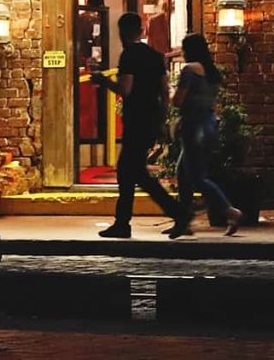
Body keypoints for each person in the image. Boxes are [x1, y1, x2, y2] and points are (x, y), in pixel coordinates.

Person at [91, 13, 188, 238]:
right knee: (132, 172)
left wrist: (104, 81)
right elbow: (165, 91)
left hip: (136, 119)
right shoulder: (155, 56)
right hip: (151, 119)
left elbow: (126, 89)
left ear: (122, 32)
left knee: (129, 171)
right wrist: (163, 122)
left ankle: (173, 213)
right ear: (142, 30)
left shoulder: (129, 56)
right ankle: (126, 222)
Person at [170, 33, 243, 237]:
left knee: (197, 177)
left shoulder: (189, 70)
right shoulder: (211, 72)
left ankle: (230, 211)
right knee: (183, 173)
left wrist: (168, 94)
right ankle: (182, 220)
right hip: (209, 123)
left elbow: (178, 101)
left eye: (184, 49)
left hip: (193, 125)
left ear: (189, 50)